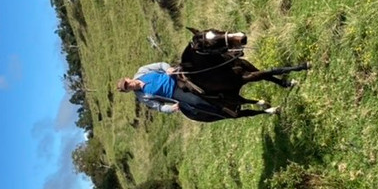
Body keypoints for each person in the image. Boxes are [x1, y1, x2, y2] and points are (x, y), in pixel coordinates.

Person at [116, 62, 277, 122]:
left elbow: (160, 65)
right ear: (128, 90)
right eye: (127, 87)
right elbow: (157, 106)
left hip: (176, 77)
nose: (129, 85)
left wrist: (169, 68)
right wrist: (171, 109)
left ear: (129, 78)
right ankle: (222, 110)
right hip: (174, 92)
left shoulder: (142, 70)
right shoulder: (142, 96)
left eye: (127, 82)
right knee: (197, 102)